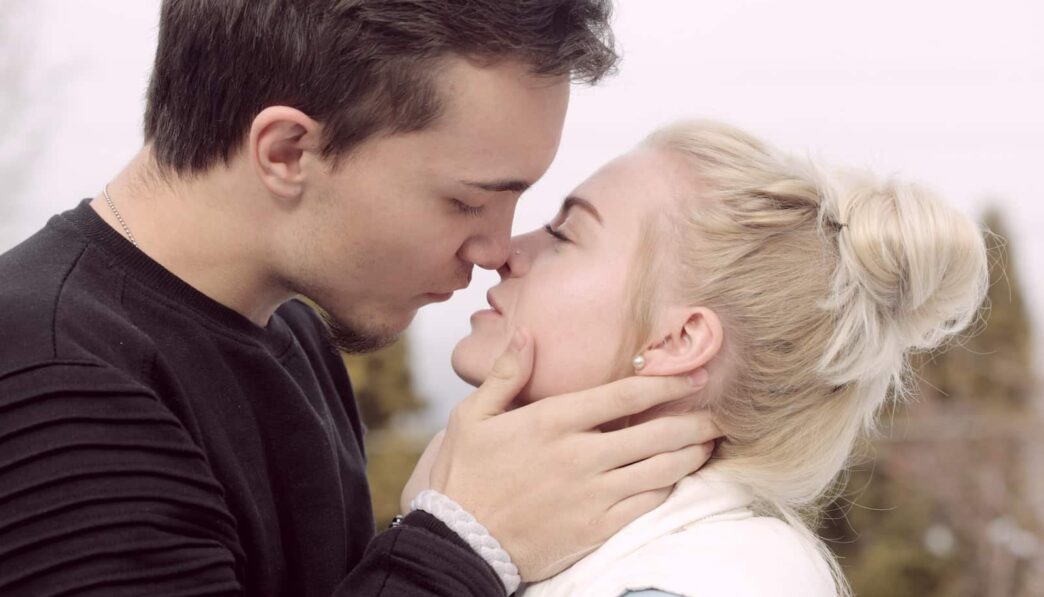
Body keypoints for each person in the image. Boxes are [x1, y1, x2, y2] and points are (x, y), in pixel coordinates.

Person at [0, 2, 724, 596]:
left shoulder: (292, 337)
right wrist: (466, 538)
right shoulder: (53, 375)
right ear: (287, 151)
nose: (498, 247)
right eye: (466, 200)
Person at [450, 120, 989, 596]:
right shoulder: (592, 554)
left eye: (563, 235)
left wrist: (445, 545)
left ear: (678, 340)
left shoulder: (681, 580)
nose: (506, 252)